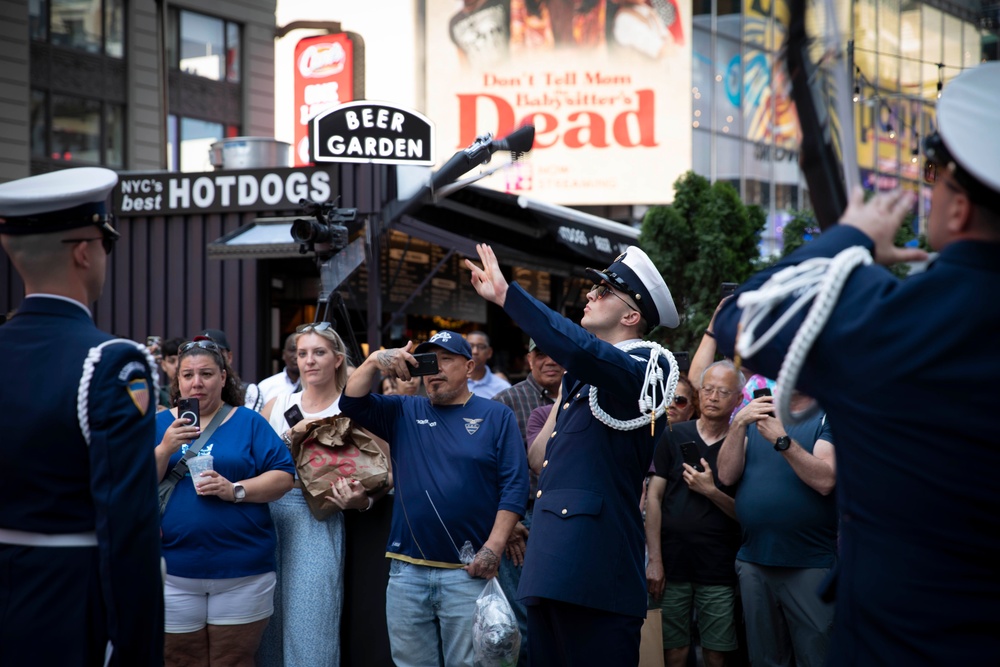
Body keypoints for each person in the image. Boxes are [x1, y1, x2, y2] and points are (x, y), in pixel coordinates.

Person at [713, 62, 1000, 664]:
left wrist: (849, 237)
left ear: (959, 210)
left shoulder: (891, 321)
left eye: (934, 178)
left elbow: (740, 315)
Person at [466, 243, 679, 666]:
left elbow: (583, 350)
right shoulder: (585, 380)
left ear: (631, 316)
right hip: (553, 567)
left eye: (603, 291)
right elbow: (541, 458)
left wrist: (511, 296)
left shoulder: (645, 368)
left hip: (597, 573)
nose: (589, 295)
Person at [0, 167, 163, 666]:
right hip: (74, 608)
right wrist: (135, 646)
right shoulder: (113, 363)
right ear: (84, 250)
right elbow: (128, 521)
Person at [340, 330, 529, 667]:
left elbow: (514, 486)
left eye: (446, 360)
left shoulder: (495, 415)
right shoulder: (404, 410)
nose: (435, 369)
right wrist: (374, 360)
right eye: (429, 362)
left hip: (468, 571)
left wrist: (493, 549)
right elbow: (351, 402)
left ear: (469, 366)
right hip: (406, 571)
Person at [155, 337, 295, 666]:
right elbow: (130, 486)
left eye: (206, 374)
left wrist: (236, 490)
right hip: (171, 571)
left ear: (223, 377)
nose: (197, 382)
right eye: (188, 375)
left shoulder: (248, 422)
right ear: (177, 381)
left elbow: (284, 476)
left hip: (242, 570)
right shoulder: (158, 424)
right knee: (178, 660)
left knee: (233, 660)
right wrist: (164, 448)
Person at [256, 322, 386, 667]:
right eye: (302, 353)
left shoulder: (354, 408)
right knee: (266, 623)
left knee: (311, 623)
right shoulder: (277, 403)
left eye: (319, 352)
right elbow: (253, 463)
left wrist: (362, 501)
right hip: (268, 517)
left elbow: (386, 471)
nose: (309, 361)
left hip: (319, 517)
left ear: (338, 359)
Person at [717, 391, 837, 667]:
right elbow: (725, 475)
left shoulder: (828, 416)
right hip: (754, 559)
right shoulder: (756, 412)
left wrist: (782, 441)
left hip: (808, 562)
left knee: (816, 657)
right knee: (764, 659)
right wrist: (736, 424)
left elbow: (825, 480)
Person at [645, 361, 744, 667]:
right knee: (672, 650)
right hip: (672, 563)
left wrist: (711, 491)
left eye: (723, 391)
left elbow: (747, 514)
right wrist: (655, 560)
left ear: (739, 399)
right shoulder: (674, 435)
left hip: (719, 565)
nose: (713, 397)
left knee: (717, 652)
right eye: (708, 389)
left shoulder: (743, 444)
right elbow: (654, 498)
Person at [490, 338, 565, 665]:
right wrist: (509, 521)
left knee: (561, 613)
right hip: (521, 521)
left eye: (557, 354)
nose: (550, 360)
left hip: (566, 520)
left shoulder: (585, 398)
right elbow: (487, 467)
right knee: (522, 615)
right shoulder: (507, 399)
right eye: (541, 353)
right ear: (529, 358)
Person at [197, 328, 265, 411]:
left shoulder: (249, 391)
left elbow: (249, 422)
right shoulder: (186, 388)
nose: (210, 357)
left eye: (217, 352)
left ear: (229, 357)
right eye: (202, 352)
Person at [257, 333, 300, 405]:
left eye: (302, 352)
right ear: (283, 354)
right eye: (292, 350)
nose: (296, 356)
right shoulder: (265, 386)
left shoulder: (316, 385)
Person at [466, 330, 512, 398]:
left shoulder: (503, 387)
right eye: (470, 346)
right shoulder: (453, 382)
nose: (475, 351)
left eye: (481, 347)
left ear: (489, 352)